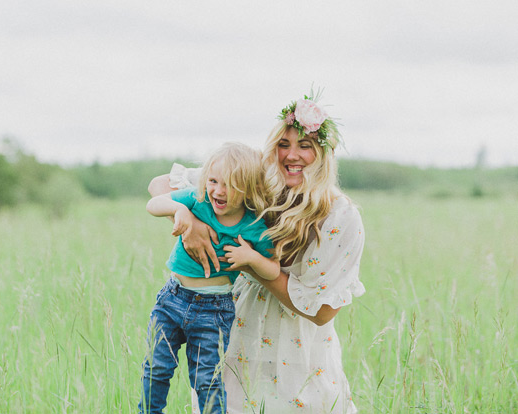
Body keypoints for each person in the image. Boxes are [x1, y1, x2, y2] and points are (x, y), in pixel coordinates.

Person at [150, 93, 365, 413]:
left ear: (324, 154)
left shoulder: (340, 217)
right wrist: (192, 222)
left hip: (298, 354)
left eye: (305, 146)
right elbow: (159, 186)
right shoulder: (253, 184)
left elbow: (322, 313)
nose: (292, 155)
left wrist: (255, 266)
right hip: (233, 335)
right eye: (284, 144)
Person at [141, 142, 275, 414]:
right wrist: (179, 210)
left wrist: (251, 258)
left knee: (207, 381)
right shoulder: (197, 200)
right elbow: (153, 203)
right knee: (157, 368)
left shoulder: (253, 227)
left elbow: (272, 269)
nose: (218, 190)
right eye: (213, 181)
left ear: (248, 188)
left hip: (214, 310)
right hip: (172, 299)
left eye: (230, 184)